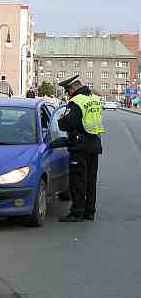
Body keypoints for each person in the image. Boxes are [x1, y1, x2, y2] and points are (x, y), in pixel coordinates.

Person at [51, 74, 104, 222]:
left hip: (79, 146)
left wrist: (61, 119)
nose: (68, 94)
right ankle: (89, 212)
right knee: (90, 181)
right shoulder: (94, 99)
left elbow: (66, 124)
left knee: (78, 181)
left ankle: (76, 213)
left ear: (74, 88)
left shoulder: (76, 101)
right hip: (94, 144)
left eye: (68, 90)